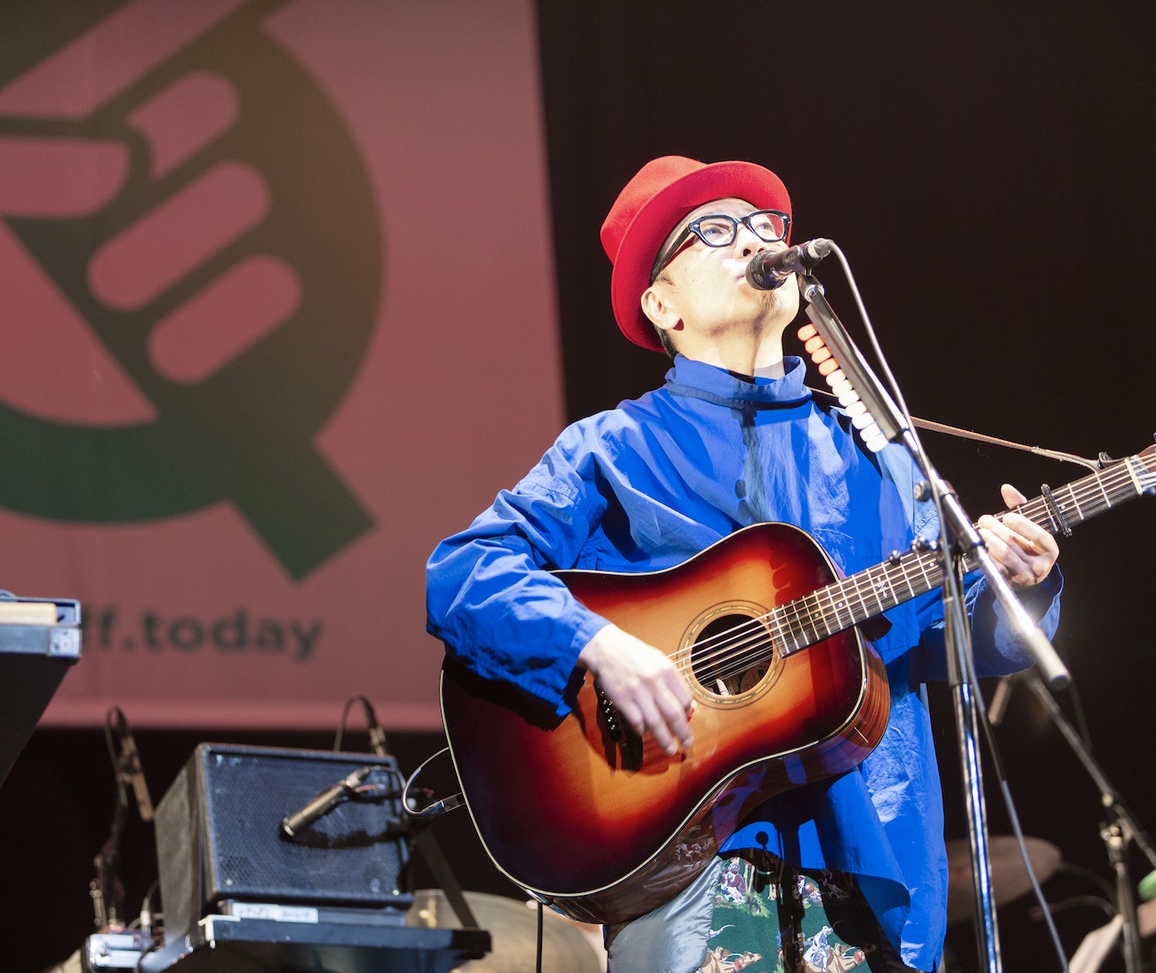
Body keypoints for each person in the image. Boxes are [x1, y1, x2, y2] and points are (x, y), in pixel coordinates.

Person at [425, 155, 1062, 973]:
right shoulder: (614, 447)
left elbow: (942, 640)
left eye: (765, 226)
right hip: (691, 865)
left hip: (873, 846)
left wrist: (1014, 587)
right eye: (712, 232)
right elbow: (465, 571)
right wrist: (600, 645)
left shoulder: (875, 453)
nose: (754, 239)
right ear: (662, 304)